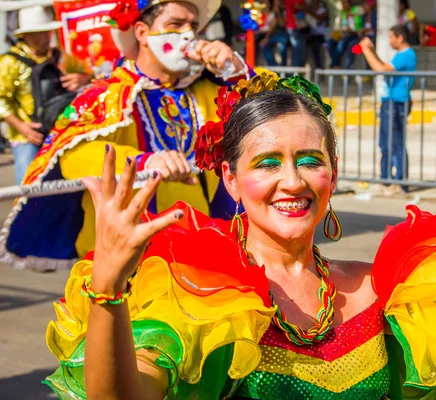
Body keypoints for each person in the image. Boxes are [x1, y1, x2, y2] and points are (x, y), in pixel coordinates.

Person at [42, 73, 436, 400]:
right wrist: (109, 290)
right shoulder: (194, 295)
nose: (292, 181)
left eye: (310, 160)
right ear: (230, 181)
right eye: (268, 163)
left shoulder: (380, 289)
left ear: (332, 172)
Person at [0, 0, 251, 271]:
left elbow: (274, 112)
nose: (188, 35)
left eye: (193, 26)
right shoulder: (105, 95)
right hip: (129, 262)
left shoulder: (208, 90)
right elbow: (73, 155)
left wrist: (234, 68)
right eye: (176, 25)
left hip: (201, 251)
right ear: (142, 33)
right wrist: (142, 163)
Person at [0, 6, 89, 184]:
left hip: (60, 132)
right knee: (29, 189)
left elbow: (90, 74)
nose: (47, 37)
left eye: (47, 32)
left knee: (69, 187)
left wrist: (83, 79)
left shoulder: (61, 57)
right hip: (27, 137)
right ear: (26, 36)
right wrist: (21, 127)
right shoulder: (9, 62)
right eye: (40, 33)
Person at [360, 24, 416, 192]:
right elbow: (384, 65)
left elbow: (381, 69)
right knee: (386, 142)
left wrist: (366, 50)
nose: (390, 40)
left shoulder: (407, 54)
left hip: (396, 103)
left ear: (400, 37)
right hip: (390, 102)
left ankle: (400, 181)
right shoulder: (401, 55)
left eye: (391, 37)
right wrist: (372, 50)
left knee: (395, 142)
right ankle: (386, 178)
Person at [327, 0, 363, 69]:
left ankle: (335, 65)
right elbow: (343, 26)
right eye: (342, 3)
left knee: (341, 44)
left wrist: (352, 29)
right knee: (330, 42)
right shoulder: (343, 13)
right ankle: (335, 63)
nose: (343, 5)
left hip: (354, 35)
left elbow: (358, 27)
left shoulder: (356, 10)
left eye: (344, 3)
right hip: (345, 35)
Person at [257, 0, 289, 66]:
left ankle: (283, 66)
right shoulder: (264, 12)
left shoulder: (284, 11)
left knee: (282, 45)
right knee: (263, 45)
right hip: (270, 35)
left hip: (282, 35)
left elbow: (282, 24)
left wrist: (278, 12)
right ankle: (274, 66)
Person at [305, 0, 330, 69]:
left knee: (315, 47)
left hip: (321, 36)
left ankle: (319, 68)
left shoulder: (323, 10)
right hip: (311, 36)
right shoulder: (308, 11)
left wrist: (308, 11)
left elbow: (319, 19)